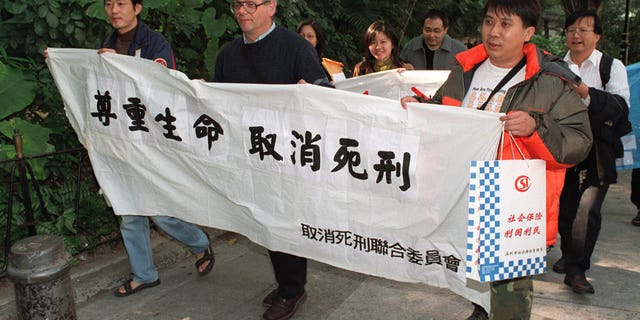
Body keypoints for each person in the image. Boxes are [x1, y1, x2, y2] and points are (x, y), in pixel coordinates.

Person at [401, 0, 592, 319]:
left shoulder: (550, 81)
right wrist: (419, 107)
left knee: (509, 293)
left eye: (506, 24)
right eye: (489, 22)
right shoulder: (464, 69)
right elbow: (442, 115)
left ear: (528, 32)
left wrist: (536, 128)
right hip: (461, 193)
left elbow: (579, 142)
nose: (494, 32)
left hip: (513, 203)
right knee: (473, 275)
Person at [52, 0, 216, 297]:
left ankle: (199, 243)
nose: (114, 10)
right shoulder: (106, 44)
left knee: (161, 212)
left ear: (137, 7)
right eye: (109, 4)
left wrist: (121, 65)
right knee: (129, 209)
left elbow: (163, 86)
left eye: (121, 3)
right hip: (120, 139)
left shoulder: (154, 43)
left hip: (151, 142)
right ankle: (144, 274)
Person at [213, 1, 331, 319]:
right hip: (249, 153)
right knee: (265, 219)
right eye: (238, 3)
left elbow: (327, 91)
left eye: (252, 3)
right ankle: (286, 284)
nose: (243, 10)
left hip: (288, 157)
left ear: (271, 7)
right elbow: (218, 105)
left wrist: (314, 93)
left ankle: (292, 290)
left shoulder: (295, 47)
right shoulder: (227, 55)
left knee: (283, 219)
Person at [554, 10, 630, 294]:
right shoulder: (553, 66)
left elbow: (621, 108)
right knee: (565, 207)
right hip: (561, 147)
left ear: (597, 36)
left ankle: (577, 269)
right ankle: (567, 253)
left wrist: (586, 92)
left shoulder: (611, 67)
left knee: (587, 210)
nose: (577, 35)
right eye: (572, 29)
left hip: (597, 150)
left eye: (584, 29)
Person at [400, 9, 467, 70]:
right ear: (422, 28)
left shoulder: (459, 50)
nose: (432, 35)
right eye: (428, 30)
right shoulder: (410, 47)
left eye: (436, 31)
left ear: (445, 30)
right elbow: (397, 67)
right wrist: (403, 66)